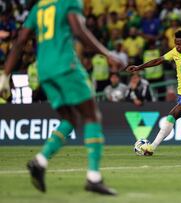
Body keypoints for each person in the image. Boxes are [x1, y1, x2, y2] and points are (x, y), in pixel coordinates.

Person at [0, 0, 124, 195]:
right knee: (92, 115)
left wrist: (5, 75)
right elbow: (78, 30)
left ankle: (40, 161)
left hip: (44, 70)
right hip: (65, 65)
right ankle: (94, 177)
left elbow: (20, 41)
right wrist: (106, 53)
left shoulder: (38, 7)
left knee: (71, 118)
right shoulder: (69, 1)